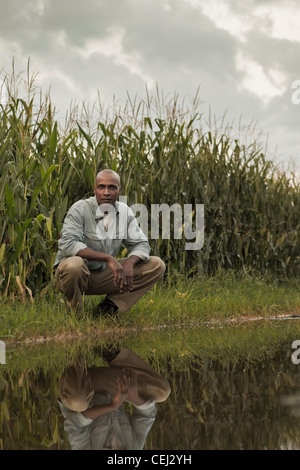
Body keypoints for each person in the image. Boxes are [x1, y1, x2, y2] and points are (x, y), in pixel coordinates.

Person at [53, 169, 165, 317]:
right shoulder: (80, 209)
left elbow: (141, 244)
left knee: (156, 265)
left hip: (103, 276)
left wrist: (130, 263)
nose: (106, 192)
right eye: (101, 187)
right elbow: (68, 243)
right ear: (95, 189)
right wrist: (108, 258)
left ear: (119, 190)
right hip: (74, 275)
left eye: (112, 187)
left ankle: (107, 310)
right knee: (75, 264)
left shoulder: (125, 212)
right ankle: (76, 315)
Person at [58, 346, 171, 450]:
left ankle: (75, 349)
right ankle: (110, 350)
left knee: (78, 402)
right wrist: (135, 397)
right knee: (161, 392)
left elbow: (74, 424)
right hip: (112, 385)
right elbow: (147, 415)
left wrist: (112, 406)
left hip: (81, 388)